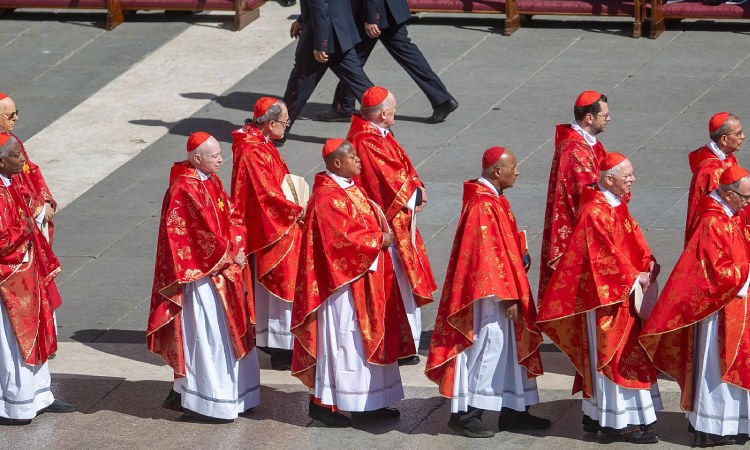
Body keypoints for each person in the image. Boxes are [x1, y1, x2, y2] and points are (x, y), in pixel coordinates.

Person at [536, 152, 662, 444]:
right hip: (607, 300)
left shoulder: (615, 204)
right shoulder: (594, 212)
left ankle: (595, 415)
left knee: (623, 354)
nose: (633, 180)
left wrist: (648, 261)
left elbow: (632, 238)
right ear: (609, 179)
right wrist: (634, 276)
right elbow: (601, 258)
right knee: (614, 357)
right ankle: (618, 423)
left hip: (623, 295)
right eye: (627, 176)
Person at [425, 147, 549, 438]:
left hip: (503, 285)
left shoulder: (493, 199)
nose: (517, 172)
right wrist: (507, 295)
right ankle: (466, 415)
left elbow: (502, 245)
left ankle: (515, 410)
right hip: (491, 295)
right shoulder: (483, 204)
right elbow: (486, 256)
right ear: (497, 171)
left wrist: (520, 254)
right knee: (490, 346)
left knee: (509, 348)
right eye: (513, 167)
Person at [291, 139, 414, 427]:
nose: (358, 160)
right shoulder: (326, 197)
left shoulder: (349, 187)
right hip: (342, 287)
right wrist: (378, 240)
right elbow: (339, 241)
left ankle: (370, 402)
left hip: (365, 278)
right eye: (352, 157)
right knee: (346, 343)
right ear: (336, 163)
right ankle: (325, 405)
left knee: (363, 340)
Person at [148, 132, 259, 423]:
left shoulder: (211, 179)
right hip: (200, 277)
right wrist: (230, 253)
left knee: (228, 332)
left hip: (224, 270)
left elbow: (231, 213)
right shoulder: (183, 188)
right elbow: (194, 235)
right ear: (197, 158)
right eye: (214, 156)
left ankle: (238, 394)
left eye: (220, 154)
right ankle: (208, 402)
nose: (221, 159)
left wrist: (237, 244)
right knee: (208, 336)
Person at [640, 166, 750, 448]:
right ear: (729, 194)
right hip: (717, 309)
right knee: (715, 367)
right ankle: (713, 427)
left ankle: (734, 423)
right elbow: (716, 272)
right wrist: (747, 271)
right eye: (745, 198)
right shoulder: (712, 221)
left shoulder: (728, 213)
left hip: (733, 304)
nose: (747, 203)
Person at [346, 86, 437, 364]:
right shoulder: (366, 139)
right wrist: (413, 194)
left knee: (404, 281)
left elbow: (402, 166)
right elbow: (386, 179)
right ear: (383, 113)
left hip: (400, 217)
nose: (395, 115)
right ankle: (400, 342)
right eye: (394, 111)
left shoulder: (378, 133)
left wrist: (417, 186)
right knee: (395, 280)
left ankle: (408, 340)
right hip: (387, 222)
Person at [0, 134, 74, 426]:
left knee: (37, 332)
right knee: (13, 342)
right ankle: (14, 403)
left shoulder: (12, 182)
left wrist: (39, 209)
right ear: (1, 161)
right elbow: (2, 239)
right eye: (17, 155)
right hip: (9, 279)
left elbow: (30, 203)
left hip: (29, 271)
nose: (23, 159)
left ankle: (40, 395)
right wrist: (30, 224)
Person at [230, 97, 303, 371]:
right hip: (270, 228)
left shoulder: (259, 142)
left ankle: (281, 342)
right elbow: (266, 195)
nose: (287, 125)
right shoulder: (252, 150)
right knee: (280, 281)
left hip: (273, 223)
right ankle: (280, 347)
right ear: (270, 123)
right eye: (285, 121)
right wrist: (296, 210)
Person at [313, 0, 457, 124]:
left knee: (351, 60)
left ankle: (343, 107)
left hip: (375, 11)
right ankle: (442, 99)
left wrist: (372, 17)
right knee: (407, 56)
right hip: (386, 9)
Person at [538, 90, 611, 301]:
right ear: (589, 118)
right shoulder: (574, 150)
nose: (609, 119)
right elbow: (587, 191)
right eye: (605, 115)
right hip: (577, 229)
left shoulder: (588, 143)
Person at [282, 0, 373, 143]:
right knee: (359, 83)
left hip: (322, 34)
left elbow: (320, 6)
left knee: (299, 83)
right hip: (340, 30)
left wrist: (321, 44)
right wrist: (301, 19)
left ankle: (278, 129)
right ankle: (384, 127)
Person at [0, 92, 57, 243]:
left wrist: (44, 200)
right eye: (10, 115)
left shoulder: (12, 139)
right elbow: (10, 190)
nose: (16, 118)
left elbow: (30, 170)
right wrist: (38, 210)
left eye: (16, 113)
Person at [685, 112, 745, 241]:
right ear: (724, 139)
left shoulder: (727, 155)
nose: (743, 137)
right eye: (738, 134)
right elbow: (718, 209)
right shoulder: (711, 171)